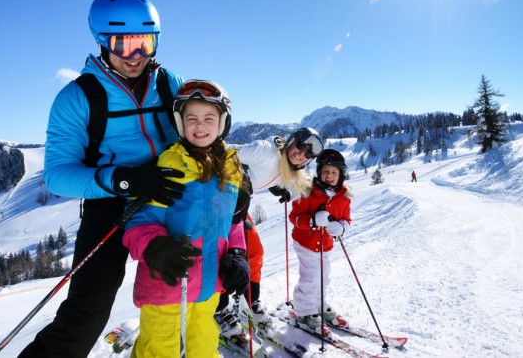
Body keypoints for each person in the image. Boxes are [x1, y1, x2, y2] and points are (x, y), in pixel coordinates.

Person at [19, 0, 185, 358]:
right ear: (101, 41)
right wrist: (121, 179)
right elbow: (57, 175)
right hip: (109, 201)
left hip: (167, 189)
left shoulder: (167, 82)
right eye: (123, 45)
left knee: (209, 256)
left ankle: (216, 319)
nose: (136, 55)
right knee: (89, 308)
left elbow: (197, 130)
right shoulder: (78, 98)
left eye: (144, 42)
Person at [123, 79, 249, 357]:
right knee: (159, 353)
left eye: (208, 118)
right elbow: (138, 222)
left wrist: (238, 253)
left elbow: (234, 222)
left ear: (223, 122)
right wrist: (156, 248)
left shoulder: (231, 169)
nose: (200, 125)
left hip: (209, 291)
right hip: (167, 288)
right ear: (180, 123)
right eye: (191, 118)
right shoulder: (170, 165)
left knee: (204, 351)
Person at [214, 127, 324, 337]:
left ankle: (250, 300)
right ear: (292, 141)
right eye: (301, 145)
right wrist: (237, 176)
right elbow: (223, 150)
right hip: (218, 205)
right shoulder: (265, 151)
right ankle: (218, 309)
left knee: (255, 254)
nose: (301, 153)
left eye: (308, 153)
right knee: (222, 260)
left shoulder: (289, 168)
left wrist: (274, 187)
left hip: (238, 209)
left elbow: (266, 175)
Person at [288, 148, 352, 333]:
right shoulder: (309, 193)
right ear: (319, 174)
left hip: (326, 245)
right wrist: (313, 221)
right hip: (306, 243)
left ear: (341, 175)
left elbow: (347, 219)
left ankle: (318, 303)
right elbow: (295, 217)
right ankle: (303, 311)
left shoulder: (344, 198)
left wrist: (342, 227)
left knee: (324, 276)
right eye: (325, 172)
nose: (329, 176)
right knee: (311, 277)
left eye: (334, 172)